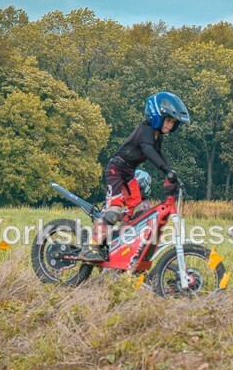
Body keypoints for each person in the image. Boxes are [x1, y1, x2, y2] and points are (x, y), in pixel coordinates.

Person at [79, 91, 191, 262]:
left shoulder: (157, 136)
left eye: (173, 122)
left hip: (129, 175)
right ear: (157, 116)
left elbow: (159, 155)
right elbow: (148, 151)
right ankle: (92, 247)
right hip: (116, 171)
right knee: (114, 211)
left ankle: (118, 243)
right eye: (168, 120)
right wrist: (165, 169)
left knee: (138, 213)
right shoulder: (145, 131)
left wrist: (171, 173)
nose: (170, 125)